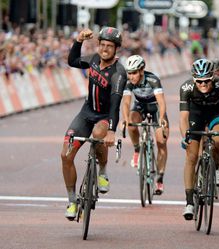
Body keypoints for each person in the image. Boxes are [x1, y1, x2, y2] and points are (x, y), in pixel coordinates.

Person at [61, 27, 127, 220]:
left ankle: (103, 172)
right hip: (86, 113)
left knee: (99, 134)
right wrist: (78, 40)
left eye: (109, 46)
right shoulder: (93, 60)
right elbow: (72, 61)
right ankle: (72, 201)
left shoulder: (119, 73)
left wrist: (112, 131)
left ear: (116, 50)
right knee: (65, 155)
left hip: (105, 116)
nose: (105, 49)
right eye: (102, 45)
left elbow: (116, 103)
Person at [179, 58, 219, 220]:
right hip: (196, 115)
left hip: (216, 113)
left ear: (212, 77)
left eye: (206, 80)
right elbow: (183, 117)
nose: (203, 85)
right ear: (194, 79)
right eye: (199, 81)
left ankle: (216, 167)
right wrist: (185, 135)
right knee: (191, 156)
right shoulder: (186, 87)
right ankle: (189, 202)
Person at [122, 54, 169, 195]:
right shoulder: (128, 82)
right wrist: (124, 119)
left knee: (161, 141)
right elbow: (126, 102)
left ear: (141, 70)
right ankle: (137, 150)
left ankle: (160, 178)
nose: (131, 76)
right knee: (131, 122)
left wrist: (161, 118)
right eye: (129, 73)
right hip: (140, 106)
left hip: (155, 108)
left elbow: (161, 101)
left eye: (134, 73)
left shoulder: (153, 79)